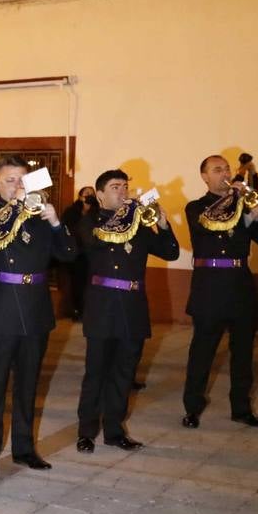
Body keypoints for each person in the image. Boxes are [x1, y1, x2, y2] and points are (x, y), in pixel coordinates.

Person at [0, 156, 77, 478]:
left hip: (33, 309)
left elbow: (69, 254)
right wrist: (14, 207)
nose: (17, 186)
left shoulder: (40, 216)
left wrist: (56, 221)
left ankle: (24, 448)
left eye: (22, 180)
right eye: (9, 180)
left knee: (28, 385)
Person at [75, 171, 179, 452]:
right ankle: (86, 431)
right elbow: (96, 242)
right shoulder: (90, 222)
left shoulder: (140, 224)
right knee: (96, 371)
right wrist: (127, 215)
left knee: (124, 372)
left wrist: (163, 224)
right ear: (100, 195)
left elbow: (171, 253)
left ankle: (114, 430)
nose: (122, 191)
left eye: (125, 186)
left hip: (132, 305)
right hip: (102, 305)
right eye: (115, 187)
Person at [181, 155, 258, 429]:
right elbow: (206, 226)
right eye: (217, 169)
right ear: (204, 177)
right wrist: (234, 199)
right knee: (202, 351)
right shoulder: (195, 207)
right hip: (209, 286)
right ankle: (192, 407)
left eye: (226, 168)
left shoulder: (243, 203)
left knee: (244, 353)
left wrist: (257, 215)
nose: (224, 173)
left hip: (239, 285)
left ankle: (241, 408)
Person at [60, 185, 98, 320]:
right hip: (76, 253)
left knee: (92, 283)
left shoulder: (98, 211)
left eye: (91, 194)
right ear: (80, 196)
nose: (89, 196)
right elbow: (66, 229)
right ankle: (77, 310)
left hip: (92, 253)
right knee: (77, 284)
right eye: (86, 193)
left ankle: (90, 311)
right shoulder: (71, 211)